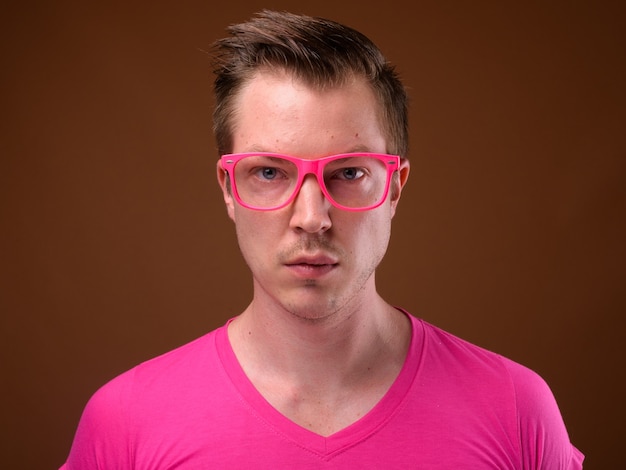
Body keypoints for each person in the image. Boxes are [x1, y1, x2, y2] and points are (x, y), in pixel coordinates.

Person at [61, 10, 584, 469]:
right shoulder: (125, 422)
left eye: (349, 173)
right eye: (269, 173)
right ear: (229, 188)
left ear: (395, 187)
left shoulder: (515, 409)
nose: (312, 218)